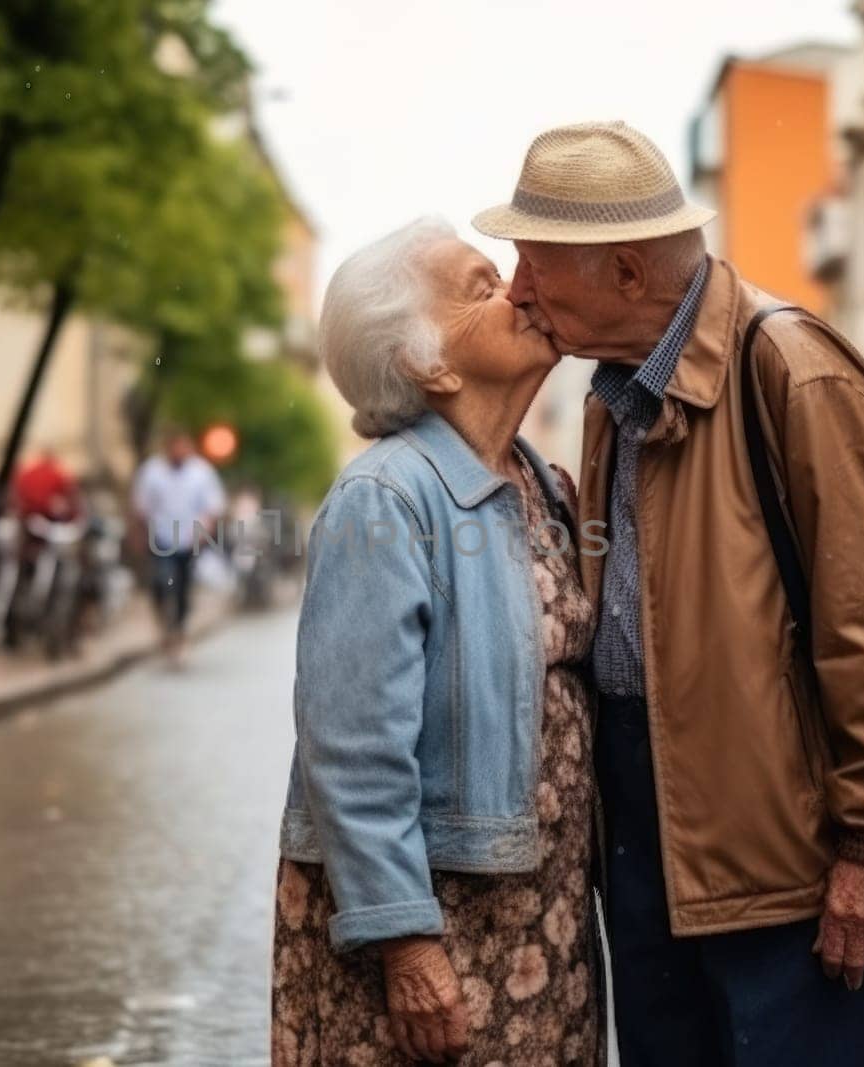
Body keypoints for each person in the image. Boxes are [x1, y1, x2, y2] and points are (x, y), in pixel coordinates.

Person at [475, 122, 864, 1066]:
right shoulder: (611, 396)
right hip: (646, 831)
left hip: (779, 849)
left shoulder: (791, 367)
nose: (517, 289)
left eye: (536, 264)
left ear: (626, 273)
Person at [271, 219, 604, 1064]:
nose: (519, 291)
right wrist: (406, 942)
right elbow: (349, 746)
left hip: (536, 918)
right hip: (436, 928)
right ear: (429, 364)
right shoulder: (384, 498)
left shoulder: (534, 482)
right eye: (480, 286)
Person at [131, 427, 225, 664]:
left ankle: (179, 630)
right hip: (160, 538)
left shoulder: (201, 472)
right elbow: (141, 507)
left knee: (182, 586)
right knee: (161, 582)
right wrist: (139, 535)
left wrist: (205, 532)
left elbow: (213, 507)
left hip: (189, 541)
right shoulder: (152, 472)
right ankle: (165, 622)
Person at [11, 448, 82, 523]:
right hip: (47, 514)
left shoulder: (27, 473)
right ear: (51, 459)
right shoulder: (56, 472)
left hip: (30, 514)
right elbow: (71, 491)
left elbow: (17, 492)